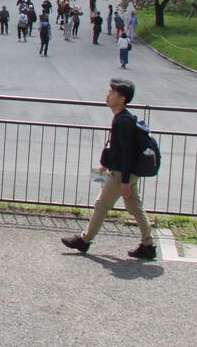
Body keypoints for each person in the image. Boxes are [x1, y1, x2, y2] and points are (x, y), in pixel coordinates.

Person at [62, 78, 156, 260]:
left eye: (112, 93)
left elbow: (127, 153)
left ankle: (84, 240)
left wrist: (126, 181)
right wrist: (104, 165)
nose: (107, 95)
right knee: (136, 207)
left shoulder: (123, 122)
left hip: (122, 172)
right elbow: (115, 148)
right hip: (124, 171)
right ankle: (148, 245)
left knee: (101, 205)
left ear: (121, 99)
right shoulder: (122, 118)